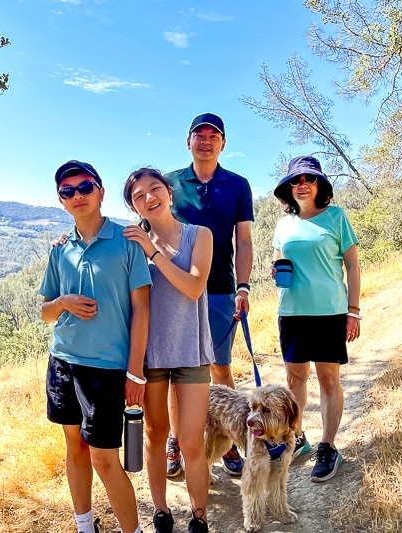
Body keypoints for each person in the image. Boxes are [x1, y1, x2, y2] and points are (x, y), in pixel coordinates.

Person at [39, 160, 151, 533]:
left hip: (106, 368)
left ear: (101, 191)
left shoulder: (127, 241)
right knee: (75, 449)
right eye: (67, 191)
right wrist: (63, 303)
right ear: (61, 201)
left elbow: (142, 309)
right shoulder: (60, 250)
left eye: (84, 187)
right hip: (62, 363)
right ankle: (85, 526)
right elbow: (44, 312)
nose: (77, 195)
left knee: (106, 459)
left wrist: (135, 372)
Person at [122, 168, 213, 533]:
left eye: (155, 189)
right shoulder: (131, 244)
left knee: (191, 440)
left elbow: (192, 287)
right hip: (151, 356)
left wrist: (153, 252)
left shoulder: (199, 235)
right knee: (156, 436)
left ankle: (199, 516)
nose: (149, 198)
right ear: (134, 206)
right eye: (139, 195)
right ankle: (160, 511)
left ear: (170, 194)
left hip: (191, 350)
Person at [165, 113, 254, 477]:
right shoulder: (169, 183)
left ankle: (229, 438)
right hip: (173, 291)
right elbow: (145, 227)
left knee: (219, 367)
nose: (205, 140)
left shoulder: (237, 184)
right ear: (188, 141)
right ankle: (176, 440)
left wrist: (243, 286)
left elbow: (244, 240)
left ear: (223, 143)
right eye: (198, 134)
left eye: (213, 135)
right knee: (175, 371)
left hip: (219, 291)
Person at [270, 155, 361, 483]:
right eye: (296, 180)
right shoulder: (284, 225)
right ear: (289, 188)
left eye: (309, 178)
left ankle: (328, 446)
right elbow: (278, 260)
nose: (303, 184)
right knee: (294, 380)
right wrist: (274, 269)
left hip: (329, 312)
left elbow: (352, 265)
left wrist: (353, 310)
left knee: (328, 379)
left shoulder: (336, 217)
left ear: (320, 184)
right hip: (292, 312)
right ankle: (297, 439)